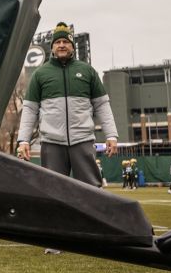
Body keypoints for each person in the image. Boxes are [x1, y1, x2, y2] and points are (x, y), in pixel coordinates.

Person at [15, 23, 118, 185]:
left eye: (66, 42)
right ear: (52, 46)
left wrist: (111, 135)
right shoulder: (40, 74)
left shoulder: (87, 71)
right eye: (58, 42)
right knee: (53, 191)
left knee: (91, 189)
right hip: (51, 143)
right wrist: (24, 140)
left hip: (82, 141)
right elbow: (29, 109)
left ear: (72, 46)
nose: (62, 45)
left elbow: (102, 105)